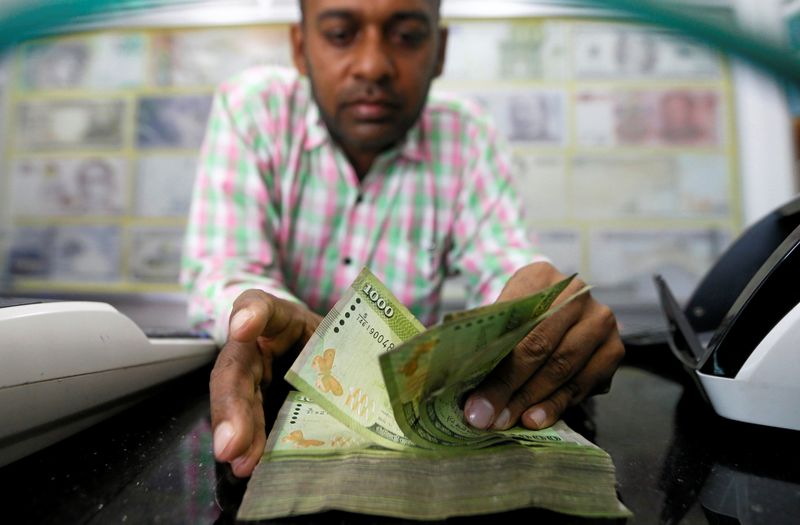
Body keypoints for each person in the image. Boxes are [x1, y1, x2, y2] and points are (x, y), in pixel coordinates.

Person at [181, 0, 624, 479]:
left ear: (440, 52)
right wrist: (260, 322)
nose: (373, 65)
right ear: (300, 47)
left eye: (408, 35)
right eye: (339, 33)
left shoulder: (466, 134)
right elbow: (226, 267)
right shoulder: (253, 109)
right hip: (276, 398)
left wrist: (540, 308)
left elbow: (504, 262)